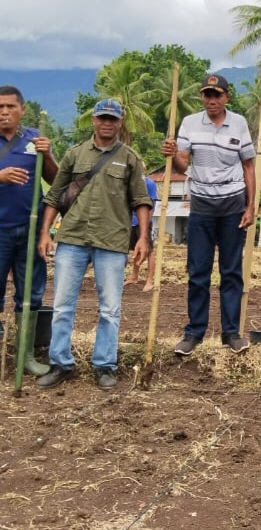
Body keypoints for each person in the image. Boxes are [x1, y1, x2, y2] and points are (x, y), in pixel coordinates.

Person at [35, 99, 152, 389]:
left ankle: (104, 365)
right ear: (94, 121)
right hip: (72, 238)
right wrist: (45, 233)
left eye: (113, 119)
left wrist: (145, 238)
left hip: (111, 241)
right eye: (102, 118)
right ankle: (61, 363)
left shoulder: (130, 159)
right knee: (62, 306)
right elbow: (54, 195)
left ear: (120, 122)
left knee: (110, 309)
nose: (107, 123)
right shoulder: (75, 155)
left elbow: (141, 201)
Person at [162, 74, 256, 355]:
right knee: (198, 272)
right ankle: (194, 333)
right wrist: (172, 153)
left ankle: (231, 334)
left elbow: (249, 167)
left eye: (217, 95)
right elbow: (182, 164)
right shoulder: (190, 123)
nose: (211, 101)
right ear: (202, 97)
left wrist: (251, 206)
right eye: (207, 95)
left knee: (231, 272)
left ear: (227, 97)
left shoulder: (238, 123)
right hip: (201, 204)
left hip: (232, 204)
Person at [0, 84, 59, 376]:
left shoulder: (34, 138)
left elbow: (55, 179)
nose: (4, 112)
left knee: (30, 294)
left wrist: (46, 155)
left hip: (31, 229)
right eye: (0, 107)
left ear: (22, 110)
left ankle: (25, 357)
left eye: (10, 107)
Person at [125, 175, 159, 291]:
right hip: (129, 221)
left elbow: (151, 204)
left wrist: (146, 223)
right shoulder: (129, 180)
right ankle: (134, 276)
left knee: (149, 250)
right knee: (133, 250)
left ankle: (149, 280)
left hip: (143, 222)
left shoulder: (149, 183)